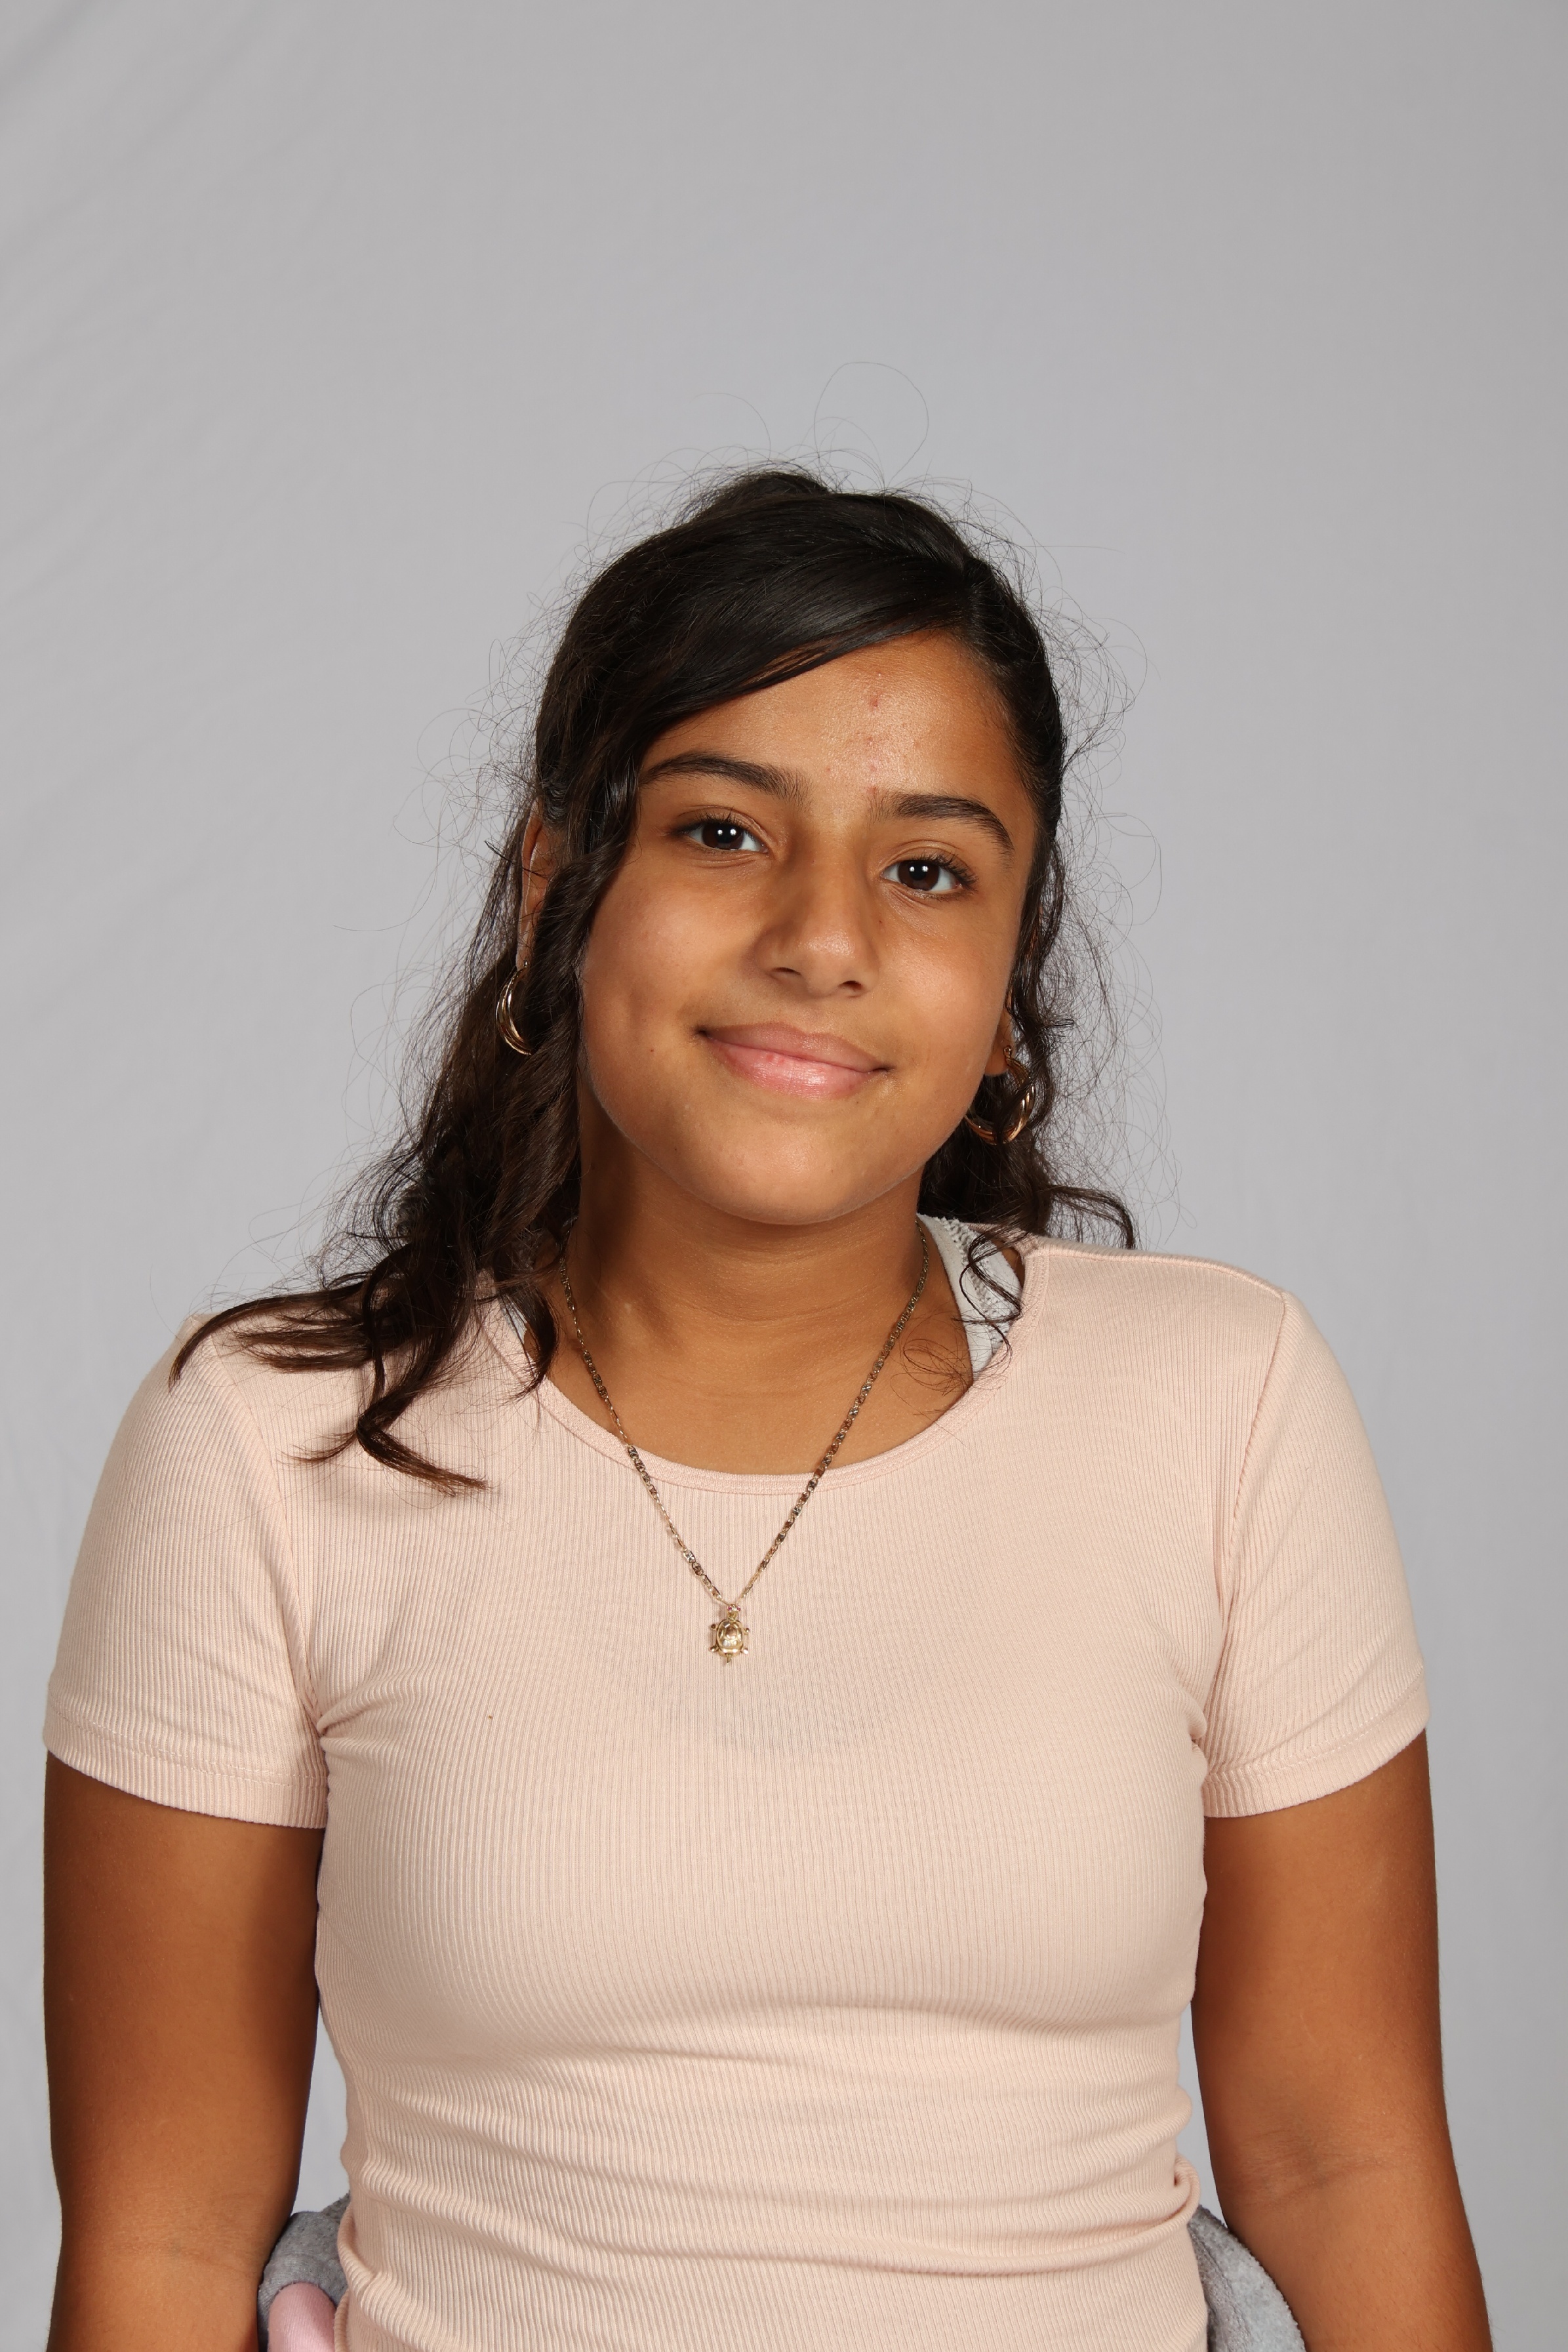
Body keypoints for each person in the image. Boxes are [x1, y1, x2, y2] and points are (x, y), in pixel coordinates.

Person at [42, 470, 1490, 2352]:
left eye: (928, 869)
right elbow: (161, 2241)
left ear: (1011, 975)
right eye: (724, 832)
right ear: (559, 888)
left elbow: (1343, 2159)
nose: (823, 936)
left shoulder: (1225, 1399)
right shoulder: (272, 1442)